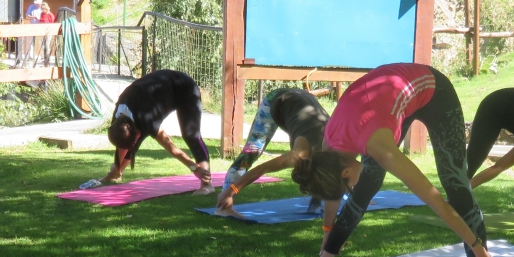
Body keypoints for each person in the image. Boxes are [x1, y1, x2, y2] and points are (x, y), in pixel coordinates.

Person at [291, 63, 496, 257]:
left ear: (345, 172)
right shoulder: (329, 148)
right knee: (367, 183)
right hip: (385, 97)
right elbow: (332, 190)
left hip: (434, 91)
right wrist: (326, 246)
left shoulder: (378, 145)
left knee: (455, 184)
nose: (349, 189)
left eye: (347, 187)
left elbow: (436, 201)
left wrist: (479, 249)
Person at [83, 68, 214, 193]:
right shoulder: (119, 119)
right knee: (131, 139)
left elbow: (170, 146)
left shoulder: (145, 118)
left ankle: (207, 185)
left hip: (185, 89)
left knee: (191, 135)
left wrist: (195, 168)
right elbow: (123, 142)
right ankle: (117, 173)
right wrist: (116, 168)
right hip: (160, 93)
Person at [215, 88, 331, 215]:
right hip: (276, 100)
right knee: (251, 152)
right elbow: (262, 169)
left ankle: (316, 204)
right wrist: (231, 191)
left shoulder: (337, 151)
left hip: (302, 103)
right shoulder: (298, 155)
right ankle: (224, 205)